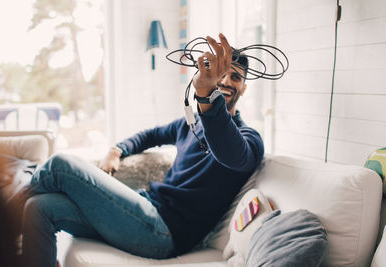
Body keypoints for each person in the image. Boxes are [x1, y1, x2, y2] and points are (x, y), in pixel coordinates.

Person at [19, 33, 264, 267]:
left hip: (164, 232)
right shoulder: (190, 123)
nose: (226, 82)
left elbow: (229, 151)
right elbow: (151, 135)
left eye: (235, 78)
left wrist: (208, 94)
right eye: (222, 74)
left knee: (61, 165)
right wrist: (117, 150)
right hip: (146, 209)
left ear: (244, 88)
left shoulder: (248, 139)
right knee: (39, 208)